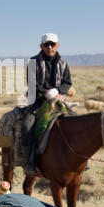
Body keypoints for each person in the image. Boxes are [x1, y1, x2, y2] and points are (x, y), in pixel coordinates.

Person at [22, 33, 72, 176]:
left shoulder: (63, 63)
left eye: (52, 44)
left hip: (58, 101)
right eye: (46, 45)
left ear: (57, 45)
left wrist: (59, 91)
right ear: (41, 46)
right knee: (27, 126)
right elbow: (31, 83)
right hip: (37, 101)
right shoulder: (34, 62)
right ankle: (29, 162)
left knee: (75, 121)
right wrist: (45, 92)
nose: (49, 47)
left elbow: (67, 82)